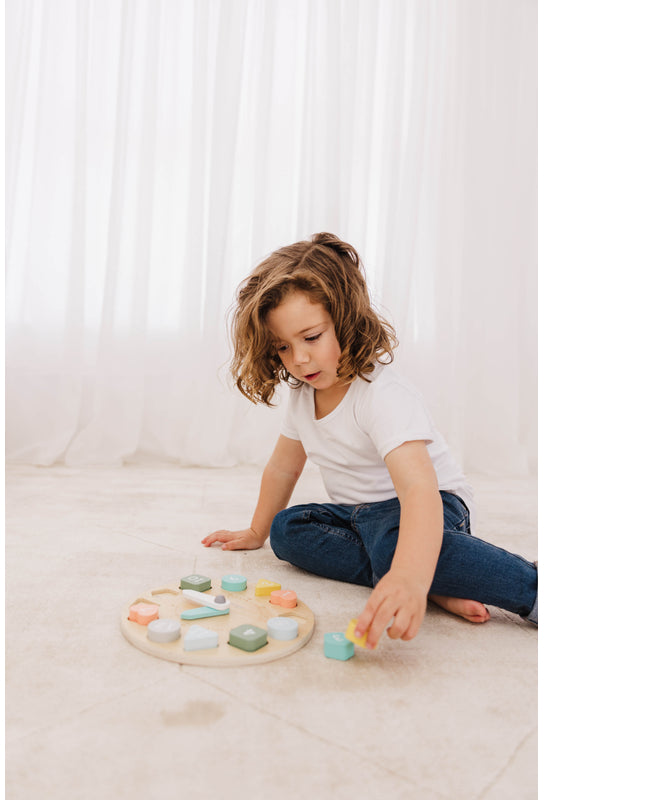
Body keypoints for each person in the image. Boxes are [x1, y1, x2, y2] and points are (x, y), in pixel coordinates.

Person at [201, 232, 538, 649]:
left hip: (432, 506)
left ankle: (533, 588)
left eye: (311, 338)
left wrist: (411, 578)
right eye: (283, 348)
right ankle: (422, 579)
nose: (299, 358)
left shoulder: (381, 395)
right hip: (359, 517)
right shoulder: (303, 396)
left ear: (345, 319)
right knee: (287, 531)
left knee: (395, 547)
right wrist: (257, 530)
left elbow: (419, 491)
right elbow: (283, 466)